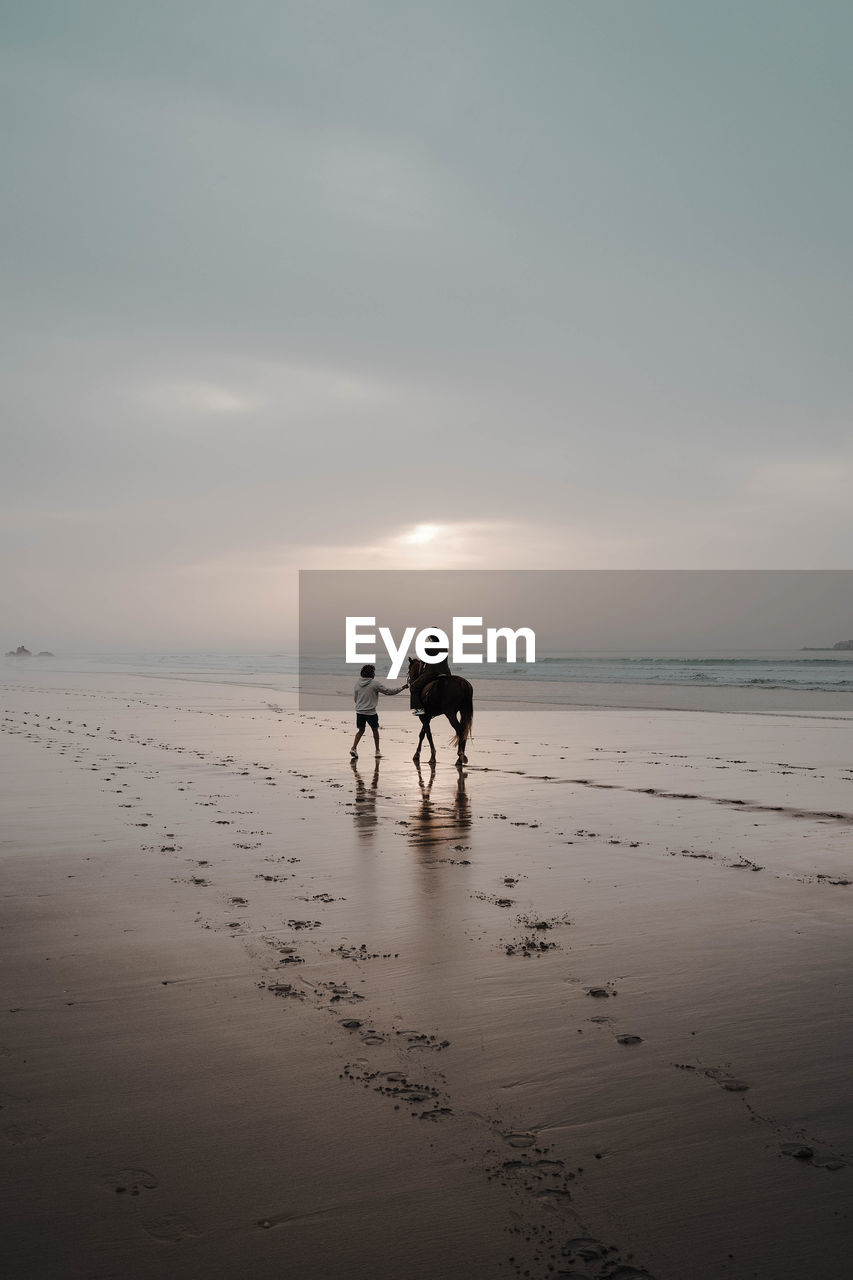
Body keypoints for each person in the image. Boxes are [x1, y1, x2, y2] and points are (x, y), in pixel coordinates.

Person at [351, 664, 406, 758]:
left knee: (361, 730)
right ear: (372, 674)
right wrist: (402, 688)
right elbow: (388, 691)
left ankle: (353, 748)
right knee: (375, 730)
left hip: (360, 712)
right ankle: (377, 751)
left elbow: (356, 699)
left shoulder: (357, 684)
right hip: (371, 712)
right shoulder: (375, 684)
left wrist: (362, 704)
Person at [410, 634, 452, 716]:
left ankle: (419, 709)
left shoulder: (428, 646)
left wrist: (419, 672)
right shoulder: (444, 647)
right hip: (446, 673)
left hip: (432, 672)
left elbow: (422, 662)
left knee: (414, 687)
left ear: (431, 638)